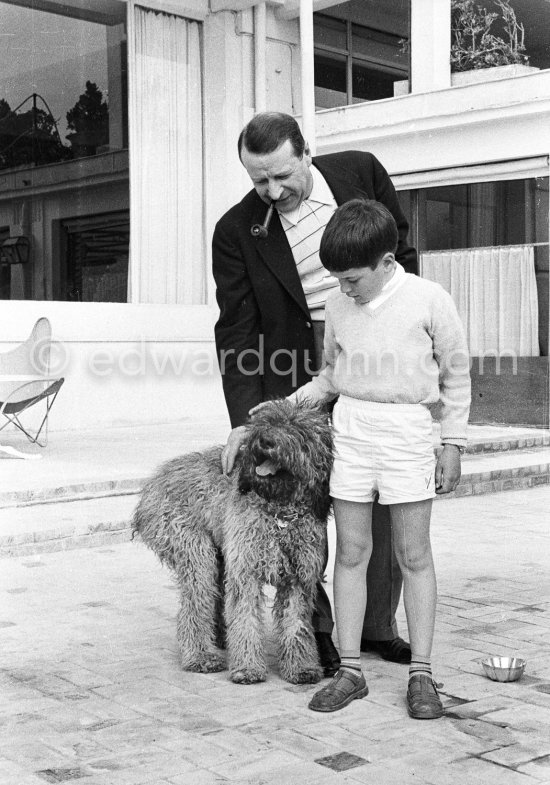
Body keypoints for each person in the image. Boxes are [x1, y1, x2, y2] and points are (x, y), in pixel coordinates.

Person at [213, 111, 417, 677]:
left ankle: (379, 625)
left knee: (378, 495)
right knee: (302, 510)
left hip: (374, 355)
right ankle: (320, 630)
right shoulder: (236, 231)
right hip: (293, 377)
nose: (273, 192)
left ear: (306, 152)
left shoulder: (361, 173)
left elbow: (403, 259)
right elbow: (235, 329)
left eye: (282, 175)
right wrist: (246, 420)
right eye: (258, 181)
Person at [278, 198, 471, 718]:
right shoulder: (339, 307)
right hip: (353, 431)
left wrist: (452, 443)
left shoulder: (430, 299)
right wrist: (282, 407)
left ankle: (423, 674)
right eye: (337, 279)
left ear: (387, 263)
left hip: (408, 431)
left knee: (414, 556)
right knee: (350, 553)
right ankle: (351, 670)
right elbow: (331, 377)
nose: (344, 289)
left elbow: (456, 377)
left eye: (354, 279)